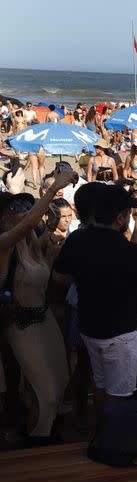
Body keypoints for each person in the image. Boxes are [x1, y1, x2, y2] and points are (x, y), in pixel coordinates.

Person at [52, 184, 137, 414]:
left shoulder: (78, 239)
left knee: (100, 386)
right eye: (129, 213)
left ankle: (102, 432)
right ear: (120, 218)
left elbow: (59, 276)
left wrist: (87, 273)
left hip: (90, 330)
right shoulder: (128, 251)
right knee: (119, 395)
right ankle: (112, 440)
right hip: (120, 337)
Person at [0, 171, 76, 445]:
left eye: (24, 204)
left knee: (59, 379)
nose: (22, 209)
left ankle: (39, 430)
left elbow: (45, 278)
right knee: (47, 390)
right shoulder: (5, 243)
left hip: (42, 320)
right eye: (15, 206)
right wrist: (56, 186)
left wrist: (52, 252)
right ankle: (38, 442)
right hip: (19, 325)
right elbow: (28, 222)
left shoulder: (31, 241)